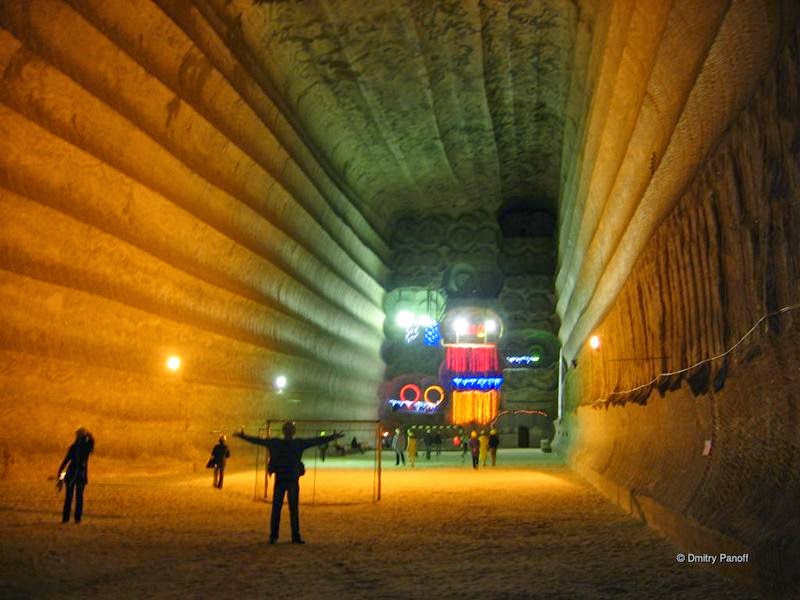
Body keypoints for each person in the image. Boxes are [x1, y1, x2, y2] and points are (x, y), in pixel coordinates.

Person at [235, 423, 342, 544]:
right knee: (293, 510)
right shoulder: (298, 443)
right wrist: (332, 437)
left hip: (281, 479)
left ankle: (274, 536)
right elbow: (315, 441)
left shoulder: (276, 443)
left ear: (283, 431)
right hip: (292, 479)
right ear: (293, 432)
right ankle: (295, 536)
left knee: (276, 509)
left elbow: (258, 441)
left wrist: (243, 436)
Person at [56, 427, 94, 524]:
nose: (78, 437)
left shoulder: (84, 447)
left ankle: (72, 518)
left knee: (76, 497)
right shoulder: (76, 447)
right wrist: (60, 472)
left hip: (77, 474)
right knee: (74, 497)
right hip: (74, 475)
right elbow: (66, 460)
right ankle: (70, 518)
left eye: (79, 435)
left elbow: (91, 443)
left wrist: (60, 471)